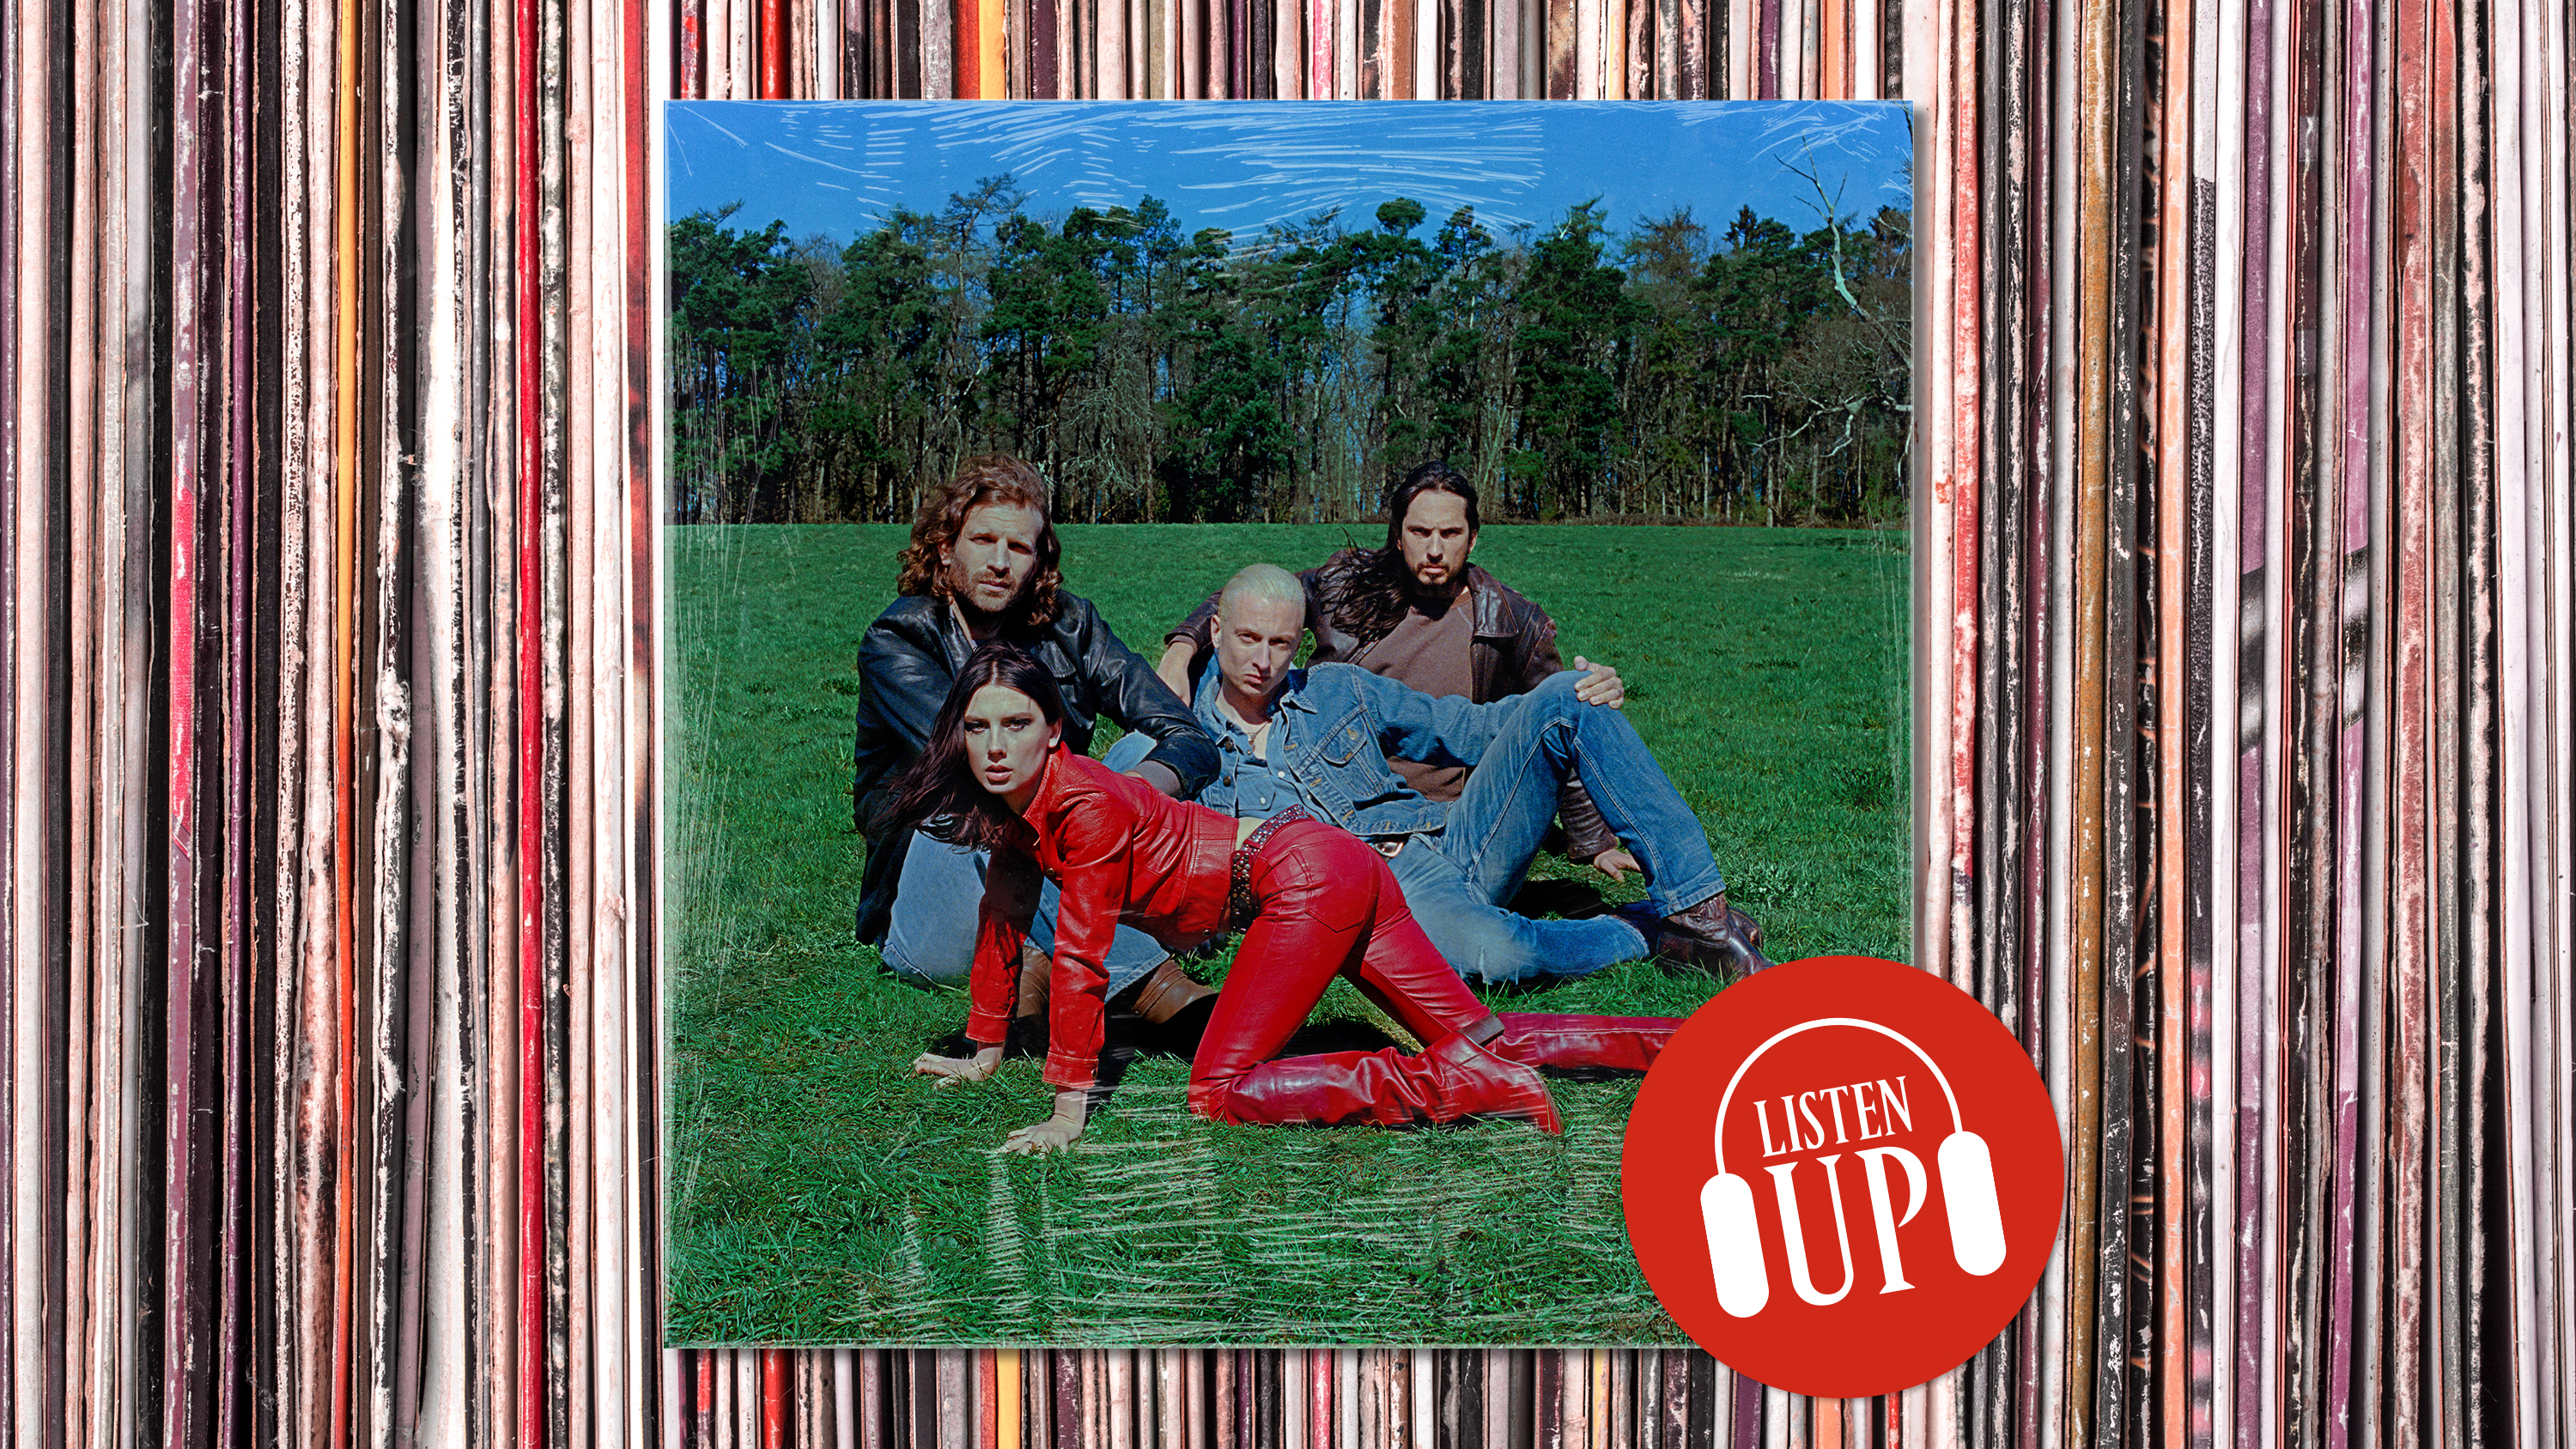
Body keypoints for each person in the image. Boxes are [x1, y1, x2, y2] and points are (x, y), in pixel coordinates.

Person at [881, 643, 1679, 1153]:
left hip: (1303, 880)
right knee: (1487, 1031)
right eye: (978, 727)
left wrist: (1068, 1109)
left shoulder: (1085, 806)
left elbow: (1083, 959)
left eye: (1014, 724)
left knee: (1218, 1091)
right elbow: (1002, 922)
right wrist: (984, 1051)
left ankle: (1453, 1084)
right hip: (1333, 863)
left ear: (1053, 728)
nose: (994, 747)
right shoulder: (1018, 808)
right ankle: (1673, 1042)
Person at [1133, 563, 1769, 987]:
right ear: (1214, 631)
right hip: (1376, 898)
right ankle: (1652, 931)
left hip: (1444, 845)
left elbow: (1464, 728)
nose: (1264, 661)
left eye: (1282, 644)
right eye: (1248, 639)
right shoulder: (1181, 745)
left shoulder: (1336, 690)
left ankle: (1699, 911)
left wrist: (1578, 690)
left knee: (1571, 696)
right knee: (1498, 955)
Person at [851, 454, 1221, 1028]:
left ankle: (1038, 965)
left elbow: (1187, 734)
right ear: (946, 548)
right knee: (987, 796)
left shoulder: (1070, 625)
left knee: (1139, 754)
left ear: (1038, 559)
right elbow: (978, 773)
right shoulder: (898, 641)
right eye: (983, 540)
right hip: (939, 892)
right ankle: (1153, 986)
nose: (1000, 563)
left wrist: (1132, 794)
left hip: (1054, 864)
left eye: (1019, 548)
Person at [1157, 460, 1634, 879]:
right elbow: (1249, 603)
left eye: (1450, 534)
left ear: (1473, 537)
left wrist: (1593, 841)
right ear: (1398, 532)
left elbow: (1552, 727)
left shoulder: (1510, 622)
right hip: (1343, 794)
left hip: (1448, 813)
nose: (1434, 549)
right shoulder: (1344, 587)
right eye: (1420, 531)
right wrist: (1179, 653)